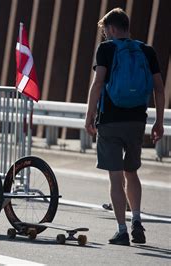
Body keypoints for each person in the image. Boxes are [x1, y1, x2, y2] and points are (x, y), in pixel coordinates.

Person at [85, 8, 165, 246]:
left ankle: (121, 230)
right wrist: (158, 121)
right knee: (132, 172)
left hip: (110, 120)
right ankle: (137, 221)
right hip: (137, 120)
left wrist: (89, 116)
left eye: (105, 31)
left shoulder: (106, 49)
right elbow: (159, 89)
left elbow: (98, 83)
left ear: (111, 29)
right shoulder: (146, 50)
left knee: (115, 175)